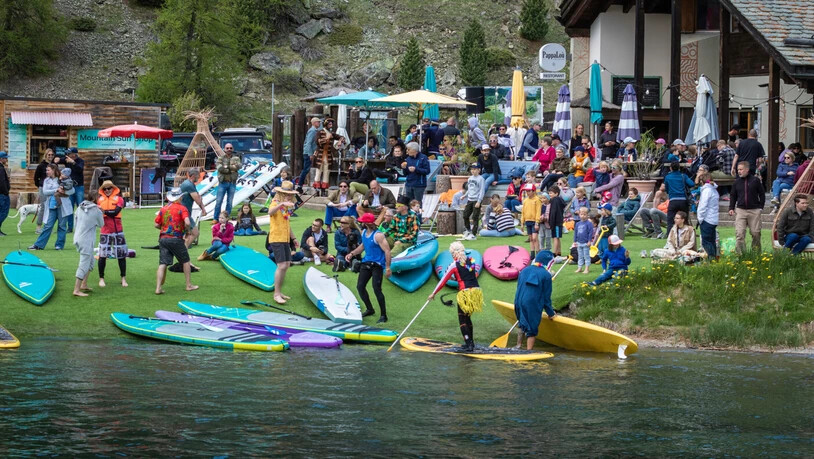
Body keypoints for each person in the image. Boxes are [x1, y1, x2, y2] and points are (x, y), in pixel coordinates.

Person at [427, 241, 484, 351]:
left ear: (453, 254)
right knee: (467, 317)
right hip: (476, 292)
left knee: (462, 319)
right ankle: (471, 342)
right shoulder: (471, 260)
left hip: (465, 293)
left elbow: (443, 280)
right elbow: (473, 274)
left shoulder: (454, 265)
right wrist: (457, 279)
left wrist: (433, 293)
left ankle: (469, 344)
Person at [345, 212, 391, 322]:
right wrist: (352, 253)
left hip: (377, 265)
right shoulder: (364, 232)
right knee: (360, 287)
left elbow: (387, 251)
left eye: (362, 222)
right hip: (366, 263)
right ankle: (370, 309)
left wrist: (388, 267)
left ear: (366, 223)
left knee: (377, 289)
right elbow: (363, 246)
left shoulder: (378, 235)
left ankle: (383, 315)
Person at [155, 190, 198, 294]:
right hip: (176, 238)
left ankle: (158, 288)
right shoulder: (182, 208)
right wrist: (187, 231)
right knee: (185, 261)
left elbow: (156, 225)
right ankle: (188, 285)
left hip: (163, 238)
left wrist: (165, 229)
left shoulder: (164, 208)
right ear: (179, 198)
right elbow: (187, 222)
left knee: (163, 263)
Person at [514, 251, 556, 350]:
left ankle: (518, 346)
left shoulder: (524, 270)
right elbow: (546, 298)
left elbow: (519, 286)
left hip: (518, 300)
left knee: (522, 322)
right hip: (532, 303)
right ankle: (529, 351)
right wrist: (551, 313)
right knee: (532, 328)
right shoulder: (546, 275)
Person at [267, 180, 300, 304]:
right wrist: (281, 204)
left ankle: (279, 291)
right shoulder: (275, 203)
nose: (290, 196)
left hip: (285, 239)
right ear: (281, 194)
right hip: (276, 238)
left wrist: (294, 238)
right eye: (287, 194)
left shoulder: (285, 207)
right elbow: (270, 212)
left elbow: (287, 223)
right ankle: (276, 294)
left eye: (291, 194)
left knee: (286, 265)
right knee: (281, 266)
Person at [29, 164, 74, 251]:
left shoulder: (63, 178)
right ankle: (38, 245)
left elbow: (72, 190)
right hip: (51, 206)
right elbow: (45, 192)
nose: (46, 172)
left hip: (63, 206)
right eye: (46, 170)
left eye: (48, 170)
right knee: (48, 226)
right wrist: (56, 190)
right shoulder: (46, 180)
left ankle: (59, 245)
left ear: (53, 170)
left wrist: (63, 191)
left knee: (62, 226)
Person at [94, 180, 128, 286]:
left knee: (121, 255)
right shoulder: (99, 200)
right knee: (102, 255)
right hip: (104, 231)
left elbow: (116, 212)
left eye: (109, 188)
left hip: (118, 231)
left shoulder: (120, 199)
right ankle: (101, 278)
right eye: (105, 189)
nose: (107, 190)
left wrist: (103, 211)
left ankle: (123, 278)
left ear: (113, 189)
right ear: (102, 190)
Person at [71, 190, 103, 296]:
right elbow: (101, 224)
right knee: (84, 264)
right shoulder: (96, 210)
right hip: (86, 240)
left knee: (90, 262)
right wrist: (101, 212)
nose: (100, 199)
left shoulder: (80, 207)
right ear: (95, 199)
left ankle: (83, 284)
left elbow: (76, 220)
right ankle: (76, 290)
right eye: (99, 197)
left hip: (78, 237)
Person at [729, 161, 765, 254]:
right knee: (740, 234)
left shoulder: (755, 180)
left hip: (754, 210)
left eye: (741, 169)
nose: (739, 171)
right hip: (740, 210)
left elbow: (762, 194)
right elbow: (733, 195)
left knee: (756, 233)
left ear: (747, 170)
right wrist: (731, 208)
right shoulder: (736, 182)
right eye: (738, 170)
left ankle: (756, 254)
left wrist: (761, 207)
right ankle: (741, 255)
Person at [663, 162, 695, 234]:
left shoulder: (668, 177)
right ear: (679, 168)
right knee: (684, 218)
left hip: (673, 200)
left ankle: (670, 235)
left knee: (670, 219)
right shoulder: (683, 176)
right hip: (683, 200)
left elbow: (667, 189)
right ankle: (687, 234)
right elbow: (692, 184)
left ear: (670, 168)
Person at [179, 168, 207, 248]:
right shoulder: (189, 185)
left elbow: (197, 197)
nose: (199, 178)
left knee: (186, 233)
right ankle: (183, 251)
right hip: (185, 212)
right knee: (195, 233)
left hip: (183, 211)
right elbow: (198, 199)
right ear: (193, 176)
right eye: (198, 176)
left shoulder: (189, 184)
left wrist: (203, 209)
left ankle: (182, 248)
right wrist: (203, 208)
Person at [696, 170, 719, 259]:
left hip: (707, 219)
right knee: (712, 240)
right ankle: (713, 257)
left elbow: (703, 206)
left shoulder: (707, 191)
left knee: (706, 241)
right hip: (713, 218)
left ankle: (711, 257)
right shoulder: (714, 190)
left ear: (702, 181)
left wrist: (700, 218)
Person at [214, 143, 241, 218]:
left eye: (230, 148)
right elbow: (220, 168)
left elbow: (239, 166)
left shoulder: (236, 158)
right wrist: (231, 169)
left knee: (229, 202)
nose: (229, 149)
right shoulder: (220, 158)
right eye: (227, 148)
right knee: (219, 201)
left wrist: (226, 167)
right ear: (224, 149)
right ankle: (216, 218)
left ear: (233, 149)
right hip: (222, 183)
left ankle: (226, 217)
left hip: (232, 183)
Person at [33, 149, 56, 233]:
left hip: (52, 188)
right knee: (43, 207)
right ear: (45, 155)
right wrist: (40, 185)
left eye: (52, 155)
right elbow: (36, 178)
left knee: (51, 207)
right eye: (49, 154)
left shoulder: (54, 165)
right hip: (43, 188)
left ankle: (48, 226)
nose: (50, 156)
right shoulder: (41, 166)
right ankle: (38, 227)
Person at [462, 163, 486, 241]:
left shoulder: (481, 179)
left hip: (476, 200)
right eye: (472, 169)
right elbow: (469, 189)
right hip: (470, 199)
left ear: (479, 170)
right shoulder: (470, 179)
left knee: (475, 217)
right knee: (465, 215)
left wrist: (479, 201)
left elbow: (482, 190)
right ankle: (468, 230)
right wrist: (464, 195)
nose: (473, 171)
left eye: (475, 169)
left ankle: (473, 234)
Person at [313, 118, 336, 196]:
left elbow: (340, 137)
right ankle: (316, 190)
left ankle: (323, 190)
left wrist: (341, 140)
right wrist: (327, 139)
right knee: (318, 172)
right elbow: (318, 141)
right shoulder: (320, 132)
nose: (331, 125)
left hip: (328, 156)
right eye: (329, 124)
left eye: (331, 124)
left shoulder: (332, 133)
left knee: (327, 173)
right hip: (320, 154)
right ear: (326, 124)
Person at [63, 148, 84, 232]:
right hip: (70, 187)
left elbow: (80, 169)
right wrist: (57, 159)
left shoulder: (80, 161)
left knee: (80, 207)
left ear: (74, 154)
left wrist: (73, 163)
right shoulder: (66, 160)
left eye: (69, 153)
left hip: (79, 187)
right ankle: (70, 227)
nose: (67, 155)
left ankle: (81, 226)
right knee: (69, 207)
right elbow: (60, 159)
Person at [298, 117, 320, 192]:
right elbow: (309, 143)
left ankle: (301, 185)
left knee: (307, 169)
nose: (319, 123)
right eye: (318, 122)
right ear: (313, 123)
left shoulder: (315, 131)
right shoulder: (312, 131)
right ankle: (299, 185)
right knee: (306, 169)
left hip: (311, 152)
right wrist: (310, 154)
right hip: (308, 153)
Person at [521, 184, 542, 258]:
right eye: (526, 191)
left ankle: (538, 252)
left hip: (534, 221)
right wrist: (522, 223)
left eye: (529, 191)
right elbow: (523, 212)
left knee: (534, 238)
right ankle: (532, 253)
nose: (527, 192)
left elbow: (538, 211)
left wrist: (537, 222)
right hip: (527, 220)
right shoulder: (525, 200)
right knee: (531, 238)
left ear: (533, 191)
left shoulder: (537, 200)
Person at [573, 207, 593, 273]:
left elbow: (590, 232)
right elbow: (575, 232)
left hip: (586, 242)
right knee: (580, 256)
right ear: (579, 215)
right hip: (579, 242)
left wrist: (589, 241)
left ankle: (587, 268)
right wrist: (575, 241)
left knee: (586, 256)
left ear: (587, 215)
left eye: (584, 214)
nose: (583, 216)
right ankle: (580, 267)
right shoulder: (578, 224)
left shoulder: (589, 223)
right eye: (581, 214)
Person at [547, 185, 566, 256]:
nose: (549, 194)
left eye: (551, 193)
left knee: (555, 237)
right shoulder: (556, 200)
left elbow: (553, 212)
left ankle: (554, 253)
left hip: (556, 222)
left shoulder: (555, 200)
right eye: (549, 193)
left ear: (556, 193)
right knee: (557, 238)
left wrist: (551, 222)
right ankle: (559, 252)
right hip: (557, 222)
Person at [0, 151, 9, 236]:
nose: (6, 159)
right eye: (5, 158)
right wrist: (6, 191)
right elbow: (2, 181)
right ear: (1, 159)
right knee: (3, 212)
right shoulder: (1, 169)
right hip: (2, 194)